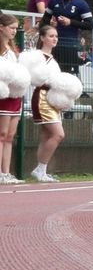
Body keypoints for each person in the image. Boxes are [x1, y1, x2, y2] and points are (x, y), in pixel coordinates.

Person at [27, 25, 64, 182]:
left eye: (56, 36)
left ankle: (41, 170)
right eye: (50, 36)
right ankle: (40, 168)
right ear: (42, 38)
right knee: (58, 134)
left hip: (51, 97)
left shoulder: (52, 58)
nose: (54, 38)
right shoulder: (38, 57)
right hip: (42, 96)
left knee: (47, 135)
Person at [42, 0, 93, 74]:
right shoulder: (54, 0)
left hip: (70, 44)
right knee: (48, 72)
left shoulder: (81, 4)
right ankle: (43, 90)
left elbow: (90, 25)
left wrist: (71, 22)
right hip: (52, 43)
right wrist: (47, 28)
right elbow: (45, 18)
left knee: (65, 74)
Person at [0, 14, 25, 184]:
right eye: (12, 27)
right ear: (1, 27)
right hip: (3, 94)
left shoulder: (13, 48)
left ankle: (6, 173)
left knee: (10, 136)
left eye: (16, 28)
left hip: (15, 95)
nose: (14, 31)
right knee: (1, 134)